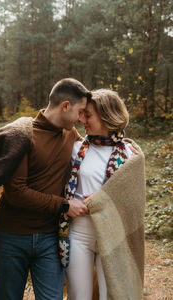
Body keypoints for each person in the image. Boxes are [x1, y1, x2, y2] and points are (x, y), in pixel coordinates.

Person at [0, 78, 90, 300]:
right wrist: (64, 205)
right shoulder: (24, 134)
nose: (82, 119)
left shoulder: (71, 134)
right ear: (65, 106)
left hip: (50, 238)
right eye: (80, 112)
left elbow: (94, 155)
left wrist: (125, 146)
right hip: (11, 237)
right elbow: (17, 191)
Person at [61, 88, 145, 300]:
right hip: (79, 233)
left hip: (113, 235)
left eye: (87, 115)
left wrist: (103, 200)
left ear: (107, 116)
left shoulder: (130, 155)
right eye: (82, 114)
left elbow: (134, 202)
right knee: (79, 296)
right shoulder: (76, 148)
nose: (82, 120)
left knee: (112, 295)